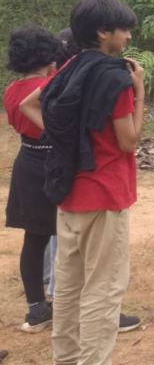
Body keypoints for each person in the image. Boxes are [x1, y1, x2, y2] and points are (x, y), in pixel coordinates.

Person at [35, 0, 146, 361]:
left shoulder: (68, 69)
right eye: (124, 29)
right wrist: (140, 93)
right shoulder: (115, 77)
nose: (127, 37)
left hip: (69, 192)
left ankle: (64, 358)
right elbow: (128, 141)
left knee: (67, 286)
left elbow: (35, 103)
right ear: (103, 32)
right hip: (105, 192)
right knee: (104, 289)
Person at [4, 26, 63, 333]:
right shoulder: (50, 85)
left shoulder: (12, 88)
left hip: (27, 159)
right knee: (69, 236)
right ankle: (70, 304)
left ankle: (36, 308)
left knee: (34, 238)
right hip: (50, 161)